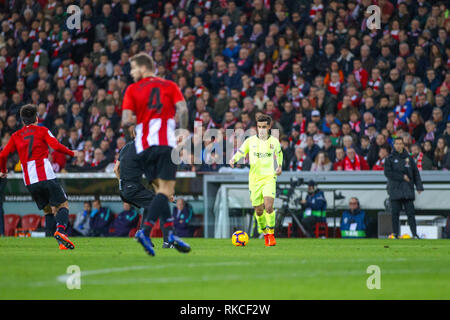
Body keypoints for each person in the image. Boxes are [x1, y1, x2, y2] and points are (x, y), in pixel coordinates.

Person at [121, 52, 190, 256]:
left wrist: (140, 117)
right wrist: (183, 130)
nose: (132, 73)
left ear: (143, 68)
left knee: (160, 191)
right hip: (163, 143)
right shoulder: (169, 86)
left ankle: (169, 234)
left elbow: (126, 120)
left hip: (143, 147)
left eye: (133, 68)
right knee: (166, 192)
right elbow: (183, 110)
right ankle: (145, 231)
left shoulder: (132, 89)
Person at [0, 105, 77, 250]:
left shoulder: (16, 136)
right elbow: (56, 145)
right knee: (63, 205)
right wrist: (72, 153)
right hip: (45, 175)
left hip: (29, 181)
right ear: (37, 118)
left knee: (47, 209)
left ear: (23, 121)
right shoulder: (43, 130)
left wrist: (3, 170)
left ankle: (52, 242)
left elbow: (2, 155)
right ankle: (60, 232)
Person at [229, 114, 283, 246]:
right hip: (254, 179)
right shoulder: (250, 141)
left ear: (269, 127)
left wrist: (280, 166)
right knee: (258, 210)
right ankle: (265, 233)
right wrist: (233, 159)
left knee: (269, 207)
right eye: (259, 127)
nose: (262, 129)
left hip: (269, 177)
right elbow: (241, 152)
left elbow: (279, 154)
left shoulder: (274, 142)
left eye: (264, 127)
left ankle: (271, 234)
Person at [114, 137, 174, 248]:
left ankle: (142, 233)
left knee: (149, 205)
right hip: (134, 188)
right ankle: (168, 242)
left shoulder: (125, 147)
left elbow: (116, 169)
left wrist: (121, 182)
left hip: (124, 189)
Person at [384, 137, 424, 239]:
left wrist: (419, 186)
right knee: (395, 214)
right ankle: (396, 234)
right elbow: (387, 173)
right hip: (395, 190)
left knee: (411, 214)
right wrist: (402, 177)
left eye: (400, 143)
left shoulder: (409, 158)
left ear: (403, 145)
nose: (398, 145)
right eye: (396, 143)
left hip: (407, 190)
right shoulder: (390, 159)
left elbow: (415, 173)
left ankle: (414, 234)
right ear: (394, 145)